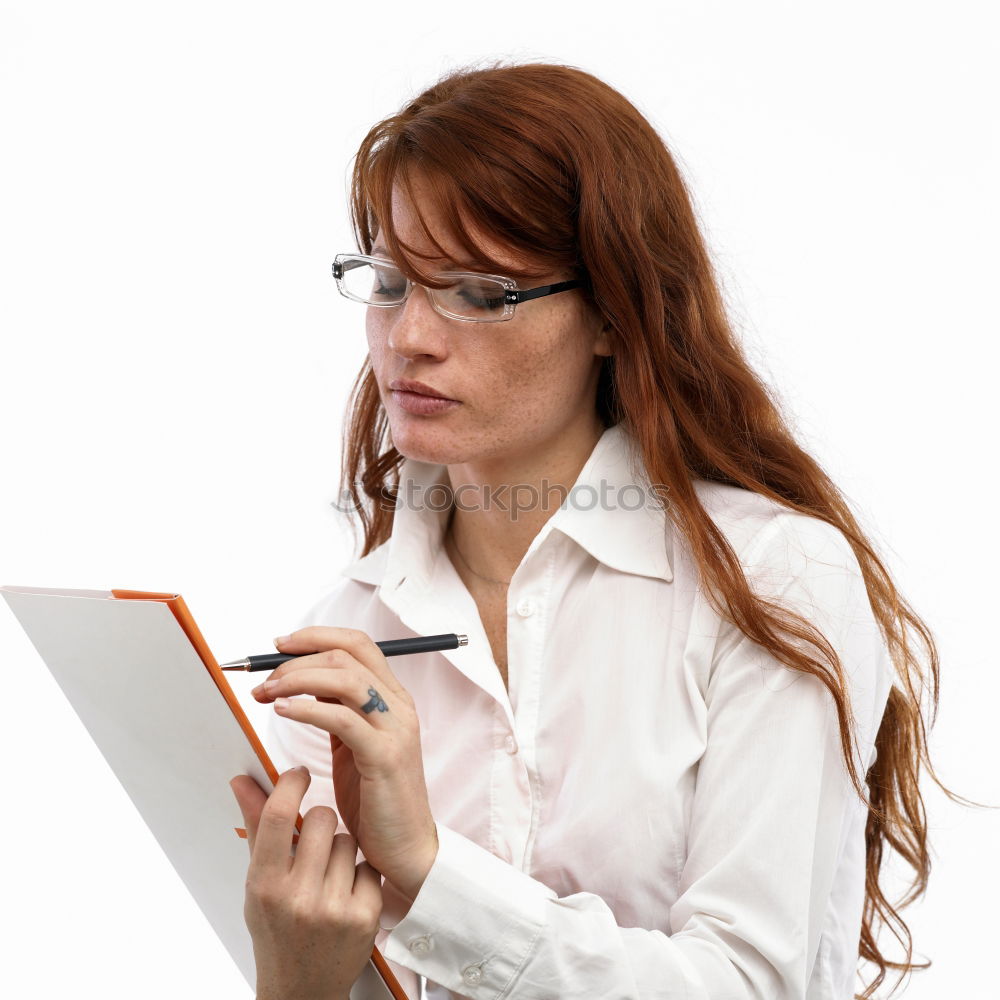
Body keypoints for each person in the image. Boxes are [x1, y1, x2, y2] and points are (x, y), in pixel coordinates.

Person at [230, 60, 957, 1000]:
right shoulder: (354, 628)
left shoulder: (770, 578)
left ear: (615, 313)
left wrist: (429, 872)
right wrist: (301, 982)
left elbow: (749, 985)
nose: (409, 336)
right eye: (390, 283)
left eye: (480, 293)